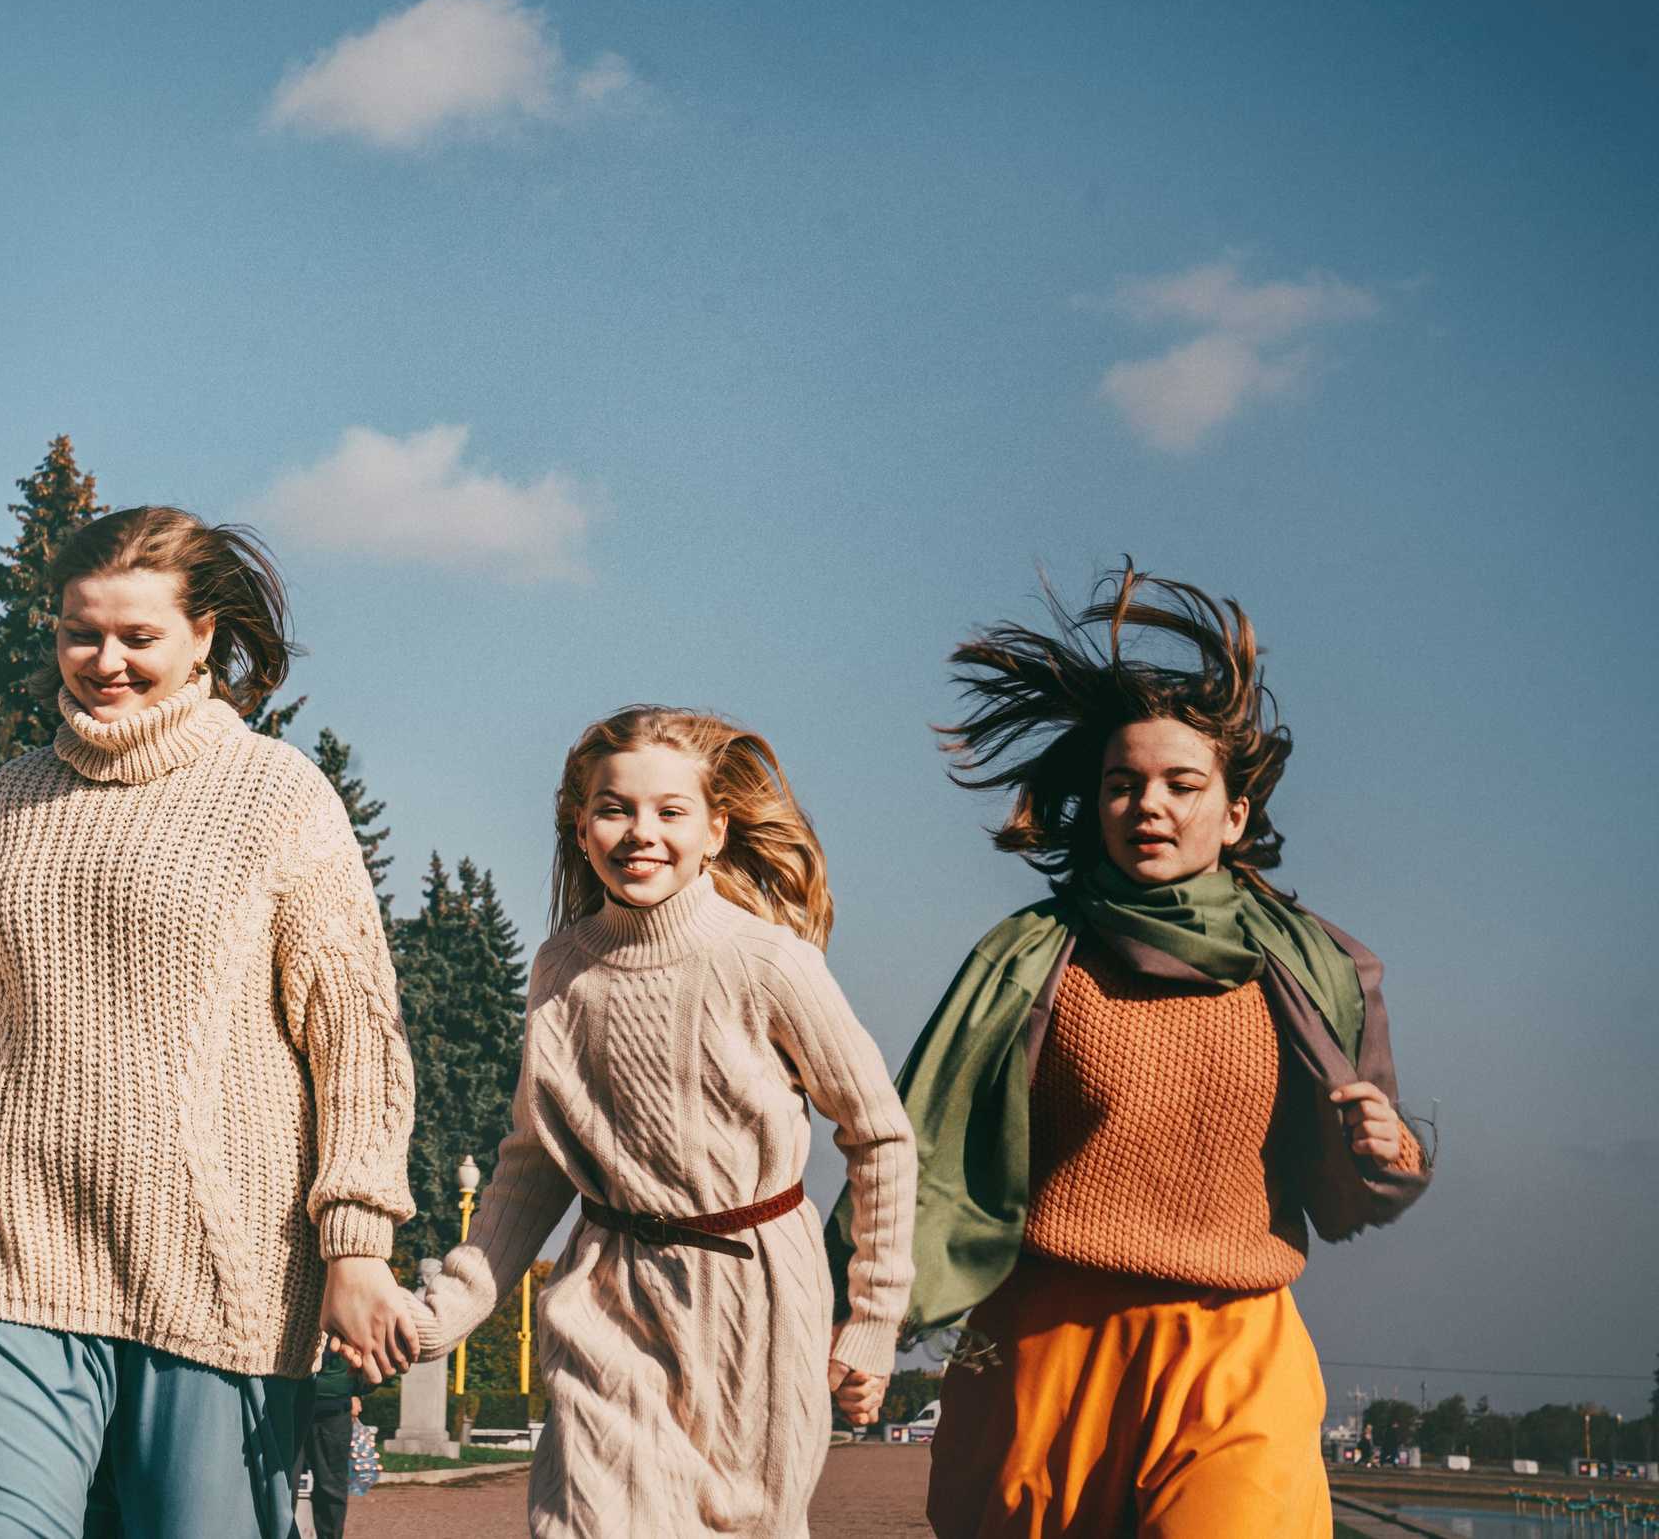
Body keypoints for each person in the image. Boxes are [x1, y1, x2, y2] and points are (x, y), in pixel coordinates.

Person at [828, 566, 1431, 1537]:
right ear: (1095, 806)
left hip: (1235, 1353)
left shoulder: (1318, 973)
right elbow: (917, 1155)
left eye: (1180, 784)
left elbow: (1346, 1194)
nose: (1148, 804)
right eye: (1123, 784)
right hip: (1043, 1357)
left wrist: (1385, 1145)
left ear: (1234, 814)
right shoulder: (1027, 959)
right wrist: (859, 1316)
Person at [0, 507, 418, 1539]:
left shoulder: (276, 794)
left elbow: (352, 1035)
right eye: (81, 634)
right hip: (11, 1247)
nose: (104, 661)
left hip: (215, 1265)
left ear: (204, 638)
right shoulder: (13, 795)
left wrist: (357, 1241)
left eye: (139, 637)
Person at [407, 707, 918, 1539]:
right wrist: (452, 1310)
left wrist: (872, 1320)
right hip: (604, 1295)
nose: (641, 832)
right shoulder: (560, 968)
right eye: (615, 809)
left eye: (670, 811)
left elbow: (880, 1136)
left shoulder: (768, 962)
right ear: (580, 826)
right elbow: (536, 1160)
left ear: (716, 829)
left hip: (756, 1300)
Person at [298, 1336, 377, 1539]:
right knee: (324, 1485)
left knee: (327, 1485)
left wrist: (354, 1391)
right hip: (316, 1407)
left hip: (326, 1408)